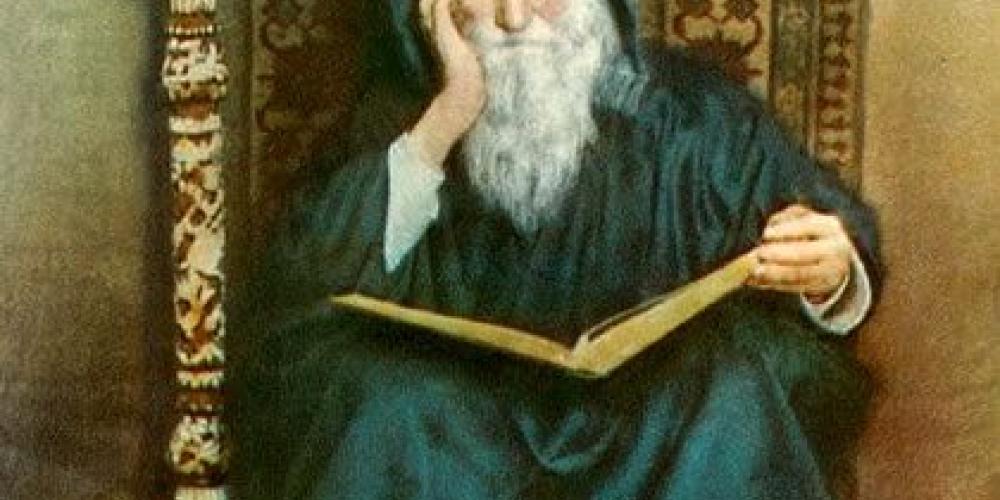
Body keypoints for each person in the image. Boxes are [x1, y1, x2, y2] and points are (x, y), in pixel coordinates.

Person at [229, 0, 882, 498]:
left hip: (652, 441)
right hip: (459, 440)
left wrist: (831, 274)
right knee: (382, 403)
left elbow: (823, 241)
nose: (514, 19)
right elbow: (302, 304)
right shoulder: (402, 119)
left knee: (733, 391)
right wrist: (445, 119)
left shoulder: (694, 116)